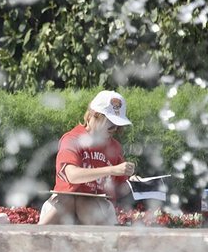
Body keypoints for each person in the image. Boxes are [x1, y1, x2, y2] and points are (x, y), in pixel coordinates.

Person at [38, 90, 136, 225]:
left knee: (85, 203)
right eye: (110, 123)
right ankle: (33, 239)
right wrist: (111, 169)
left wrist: (134, 182)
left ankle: (105, 244)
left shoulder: (114, 147)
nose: (114, 129)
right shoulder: (72, 139)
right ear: (92, 115)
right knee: (69, 200)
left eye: (117, 125)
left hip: (96, 206)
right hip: (64, 205)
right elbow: (73, 176)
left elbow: (120, 187)